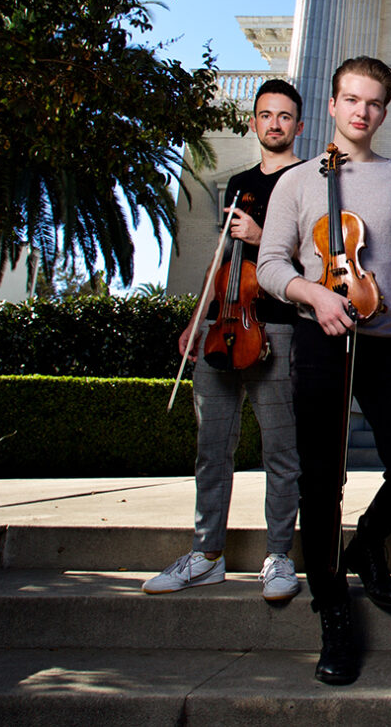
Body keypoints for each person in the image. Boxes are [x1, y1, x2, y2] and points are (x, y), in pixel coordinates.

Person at [256, 56, 391, 687]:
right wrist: (314, 295)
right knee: (320, 482)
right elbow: (270, 264)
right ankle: (332, 608)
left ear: (383, 111)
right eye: (350, 99)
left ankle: (367, 543)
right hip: (322, 337)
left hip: (390, 340)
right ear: (333, 105)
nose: (361, 111)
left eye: (373, 102)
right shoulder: (298, 180)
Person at [144, 79, 306, 603]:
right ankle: (206, 554)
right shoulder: (237, 182)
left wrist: (264, 238)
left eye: (285, 116)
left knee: (282, 452)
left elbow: (323, 264)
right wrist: (198, 319)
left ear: (298, 126)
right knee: (212, 450)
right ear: (254, 122)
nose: (275, 124)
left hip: (277, 328)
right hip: (222, 327)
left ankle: (279, 555)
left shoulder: (307, 182)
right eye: (266, 115)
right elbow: (218, 264)